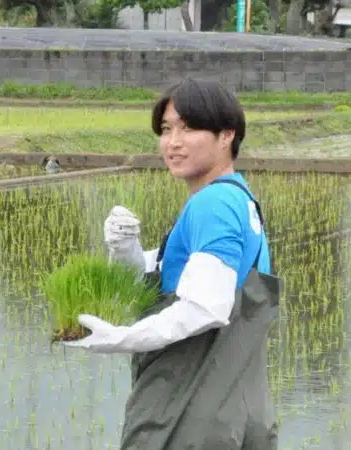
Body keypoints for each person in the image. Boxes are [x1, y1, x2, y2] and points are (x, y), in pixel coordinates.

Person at [63, 77, 282, 449]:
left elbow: (205, 307)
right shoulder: (238, 199)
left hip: (187, 416)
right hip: (236, 410)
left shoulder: (213, 205)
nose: (173, 142)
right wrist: (126, 248)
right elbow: (175, 282)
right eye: (166, 129)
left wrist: (120, 338)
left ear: (227, 135)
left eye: (189, 128)